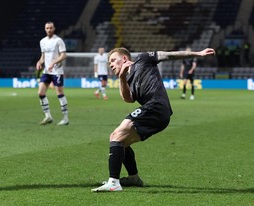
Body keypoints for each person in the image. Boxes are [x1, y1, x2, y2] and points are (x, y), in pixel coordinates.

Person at [91, 47, 215, 192]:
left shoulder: (143, 59)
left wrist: (197, 53)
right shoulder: (127, 78)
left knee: (116, 136)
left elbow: (168, 55)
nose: (110, 65)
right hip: (157, 113)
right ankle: (134, 178)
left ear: (124, 59)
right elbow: (128, 99)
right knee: (121, 142)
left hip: (157, 106)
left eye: (113, 60)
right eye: (109, 63)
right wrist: (122, 77)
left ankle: (113, 182)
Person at [35, 21, 69, 126]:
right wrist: (39, 62)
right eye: (47, 28)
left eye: (51, 28)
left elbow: (64, 55)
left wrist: (54, 62)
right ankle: (48, 116)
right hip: (47, 71)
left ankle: (65, 118)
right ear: (45, 29)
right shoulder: (42, 41)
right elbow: (43, 56)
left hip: (57, 71)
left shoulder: (58, 40)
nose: (49, 29)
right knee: (40, 93)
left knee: (59, 93)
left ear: (54, 29)